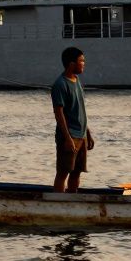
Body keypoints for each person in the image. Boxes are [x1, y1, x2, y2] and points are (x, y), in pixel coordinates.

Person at [52, 46, 94, 193]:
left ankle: (72, 199)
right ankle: (58, 204)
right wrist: (67, 138)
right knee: (63, 172)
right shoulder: (60, 84)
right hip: (69, 136)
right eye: (81, 61)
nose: (84, 64)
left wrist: (87, 133)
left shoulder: (77, 80)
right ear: (71, 64)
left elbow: (80, 109)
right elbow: (59, 114)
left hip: (81, 135)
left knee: (77, 172)